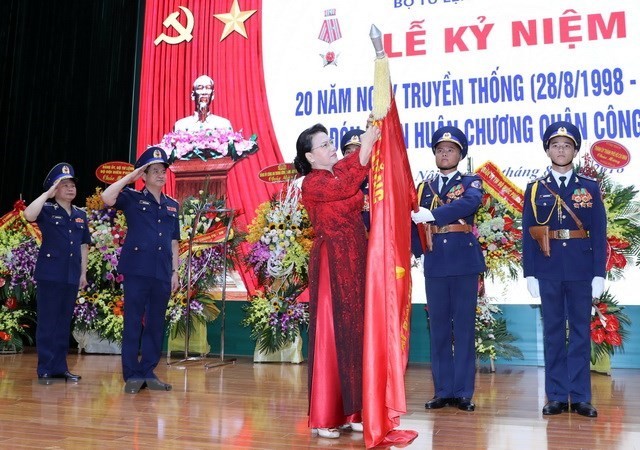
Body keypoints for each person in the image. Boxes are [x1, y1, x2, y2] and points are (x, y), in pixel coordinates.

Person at [294, 123, 380, 439]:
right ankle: (326, 415)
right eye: (325, 144)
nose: (332, 147)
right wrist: (365, 150)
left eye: (332, 142)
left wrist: (370, 139)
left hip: (355, 258)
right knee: (332, 332)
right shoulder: (312, 183)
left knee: (355, 332)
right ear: (310, 156)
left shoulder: (335, 173)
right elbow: (346, 186)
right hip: (332, 260)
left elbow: (347, 176)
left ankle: (353, 410)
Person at [522, 121, 606, 418]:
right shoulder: (534, 190)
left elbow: (599, 232)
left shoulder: (590, 187)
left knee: (581, 333)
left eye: (566, 145)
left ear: (575, 150)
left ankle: (581, 396)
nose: (561, 149)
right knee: (554, 332)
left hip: (581, 268)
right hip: (548, 268)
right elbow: (527, 233)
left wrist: (599, 273)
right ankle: (556, 395)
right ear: (547, 150)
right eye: (555, 145)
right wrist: (530, 273)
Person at [410, 126, 485, 412]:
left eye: (450, 149)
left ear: (460, 154)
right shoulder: (423, 187)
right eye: (440, 149)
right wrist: (414, 251)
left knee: (464, 329)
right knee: (438, 329)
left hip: (464, 262)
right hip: (435, 262)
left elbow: (469, 204)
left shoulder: (471, 182)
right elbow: (414, 220)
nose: (444, 153)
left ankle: (463, 392)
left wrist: (435, 214)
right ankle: (443, 390)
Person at [101, 147, 180, 394]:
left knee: (156, 323)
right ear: (143, 175)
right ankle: (132, 375)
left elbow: (174, 241)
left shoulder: (172, 205)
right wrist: (129, 178)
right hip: (137, 269)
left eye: (162, 170)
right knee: (133, 321)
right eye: (154, 170)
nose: (160, 174)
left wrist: (175, 271)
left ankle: (148, 371)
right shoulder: (132, 198)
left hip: (162, 271)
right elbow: (106, 197)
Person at [24, 163, 90, 385]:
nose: (71, 189)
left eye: (72, 185)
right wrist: (46, 194)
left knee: (63, 323)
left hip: (71, 275)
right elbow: (28, 215)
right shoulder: (47, 210)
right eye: (64, 185)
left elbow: (84, 246)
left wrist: (83, 273)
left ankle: (60, 368)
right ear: (55, 189)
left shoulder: (81, 215)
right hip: (50, 274)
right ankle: (44, 368)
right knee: (48, 322)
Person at [339, 129, 370, 231]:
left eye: (358, 151)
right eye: (348, 152)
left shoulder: (376, 179)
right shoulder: (336, 181)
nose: (353, 155)